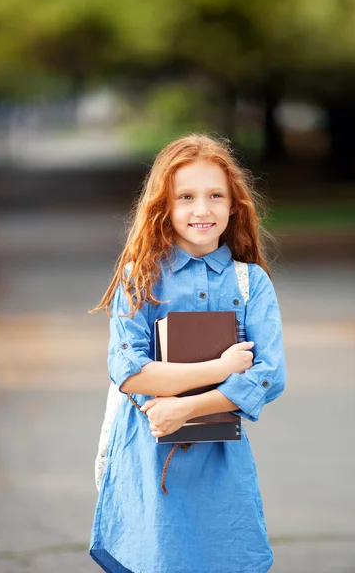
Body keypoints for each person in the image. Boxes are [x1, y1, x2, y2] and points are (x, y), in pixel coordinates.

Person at [89, 133, 286, 573]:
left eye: (215, 195)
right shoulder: (140, 278)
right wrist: (219, 368)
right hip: (148, 449)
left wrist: (187, 407)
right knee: (155, 557)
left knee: (226, 557)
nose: (202, 209)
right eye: (186, 197)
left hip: (221, 457)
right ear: (165, 207)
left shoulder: (250, 283)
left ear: (234, 204)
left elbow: (270, 375)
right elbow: (129, 370)